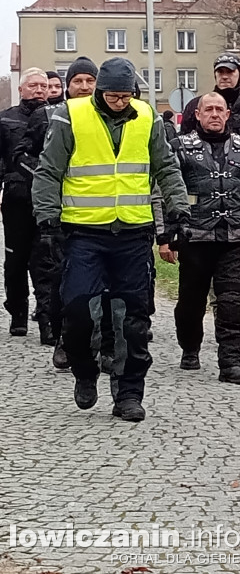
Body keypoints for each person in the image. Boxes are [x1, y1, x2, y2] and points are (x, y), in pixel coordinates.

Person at [33, 57, 191, 423]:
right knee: (78, 309)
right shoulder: (69, 116)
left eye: (125, 96)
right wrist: (47, 219)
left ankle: (129, 392)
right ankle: (84, 370)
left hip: (133, 232)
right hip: (84, 231)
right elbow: (49, 170)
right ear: (100, 92)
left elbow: (165, 165)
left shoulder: (147, 117)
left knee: (132, 318)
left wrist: (178, 207)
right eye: (113, 96)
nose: (120, 102)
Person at [159, 92, 240, 385]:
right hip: (194, 237)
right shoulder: (180, 148)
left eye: (219, 109)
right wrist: (165, 236)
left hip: (234, 237)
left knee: (232, 301)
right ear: (197, 115)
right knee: (190, 302)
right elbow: (165, 193)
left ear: (227, 114)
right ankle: (190, 346)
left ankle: (232, 362)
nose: (214, 114)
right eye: (207, 109)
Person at [15, 57, 98, 366]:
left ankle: (100, 342)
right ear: (67, 85)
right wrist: (49, 177)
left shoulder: (111, 116)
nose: (85, 87)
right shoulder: (47, 115)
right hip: (60, 212)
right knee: (60, 278)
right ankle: (62, 338)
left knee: (101, 283)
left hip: (101, 213)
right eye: (78, 81)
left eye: (90, 81)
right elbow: (21, 155)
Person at [0, 68, 52, 340]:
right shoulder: (6, 119)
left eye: (43, 85)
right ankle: (18, 312)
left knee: (46, 259)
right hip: (16, 198)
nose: (39, 90)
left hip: (49, 199)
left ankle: (47, 319)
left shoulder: (57, 117)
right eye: (33, 85)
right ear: (21, 89)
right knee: (15, 260)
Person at [180, 53, 240, 152]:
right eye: (220, 72)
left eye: (230, 72)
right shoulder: (196, 106)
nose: (224, 76)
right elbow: (184, 145)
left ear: (239, 74)